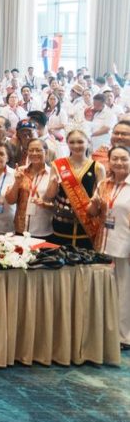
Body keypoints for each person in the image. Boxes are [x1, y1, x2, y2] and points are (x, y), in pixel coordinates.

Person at [88, 145, 130, 346]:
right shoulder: (103, 184)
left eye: (124, 159)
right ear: (109, 161)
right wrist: (94, 202)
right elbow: (92, 212)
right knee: (106, 290)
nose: (119, 163)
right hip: (103, 243)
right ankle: (105, 332)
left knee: (125, 292)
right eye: (115, 159)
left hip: (125, 246)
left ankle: (124, 336)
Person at [44, 128, 105, 250]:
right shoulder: (58, 165)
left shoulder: (98, 167)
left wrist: (97, 199)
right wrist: (53, 184)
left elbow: (101, 197)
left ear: (88, 142)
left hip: (86, 225)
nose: (76, 146)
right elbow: (49, 196)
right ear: (67, 143)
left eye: (80, 142)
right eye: (72, 142)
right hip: (61, 222)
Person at [8, 138, 54, 237]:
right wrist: (17, 182)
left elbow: (57, 204)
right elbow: (10, 200)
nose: (34, 153)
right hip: (20, 229)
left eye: (38, 150)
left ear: (46, 152)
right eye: (31, 150)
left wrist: (45, 204)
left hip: (42, 230)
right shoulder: (20, 171)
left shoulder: (52, 174)